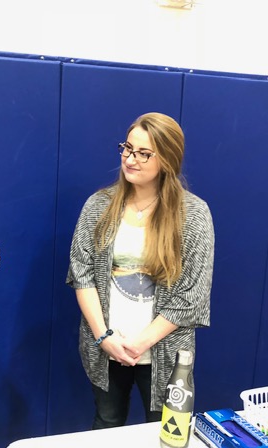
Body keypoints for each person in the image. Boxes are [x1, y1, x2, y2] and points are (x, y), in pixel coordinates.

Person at [66, 112, 214, 428]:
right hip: (106, 345)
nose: (131, 159)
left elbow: (192, 296)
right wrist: (103, 336)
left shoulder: (194, 215)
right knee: (106, 421)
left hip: (164, 353)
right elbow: (83, 273)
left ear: (168, 159)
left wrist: (141, 343)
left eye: (144, 153)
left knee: (164, 430)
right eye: (127, 148)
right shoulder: (99, 205)